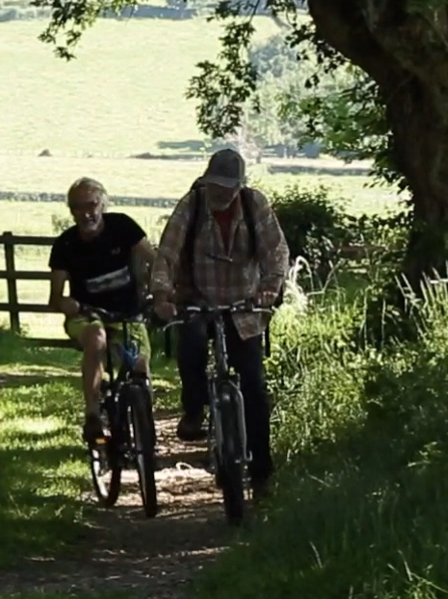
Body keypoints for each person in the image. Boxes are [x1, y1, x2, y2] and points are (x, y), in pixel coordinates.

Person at [148, 147, 290, 497]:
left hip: (245, 305)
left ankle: (261, 472)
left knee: (254, 386)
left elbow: (276, 251)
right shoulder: (192, 205)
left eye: (228, 188)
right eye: (216, 187)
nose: (221, 195)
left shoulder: (256, 205)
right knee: (192, 345)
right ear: (206, 181)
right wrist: (163, 294)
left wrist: (271, 287)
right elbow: (167, 252)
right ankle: (194, 409)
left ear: (239, 187)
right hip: (199, 299)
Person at [47, 177, 158, 443]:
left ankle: (144, 433)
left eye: (92, 205)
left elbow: (155, 260)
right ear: (71, 211)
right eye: (78, 207)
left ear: (103, 204)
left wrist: (156, 288)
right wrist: (66, 304)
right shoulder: (66, 244)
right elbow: (55, 298)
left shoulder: (123, 226)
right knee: (96, 339)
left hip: (128, 314)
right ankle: (93, 415)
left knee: (140, 366)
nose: (87, 213)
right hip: (87, 315)